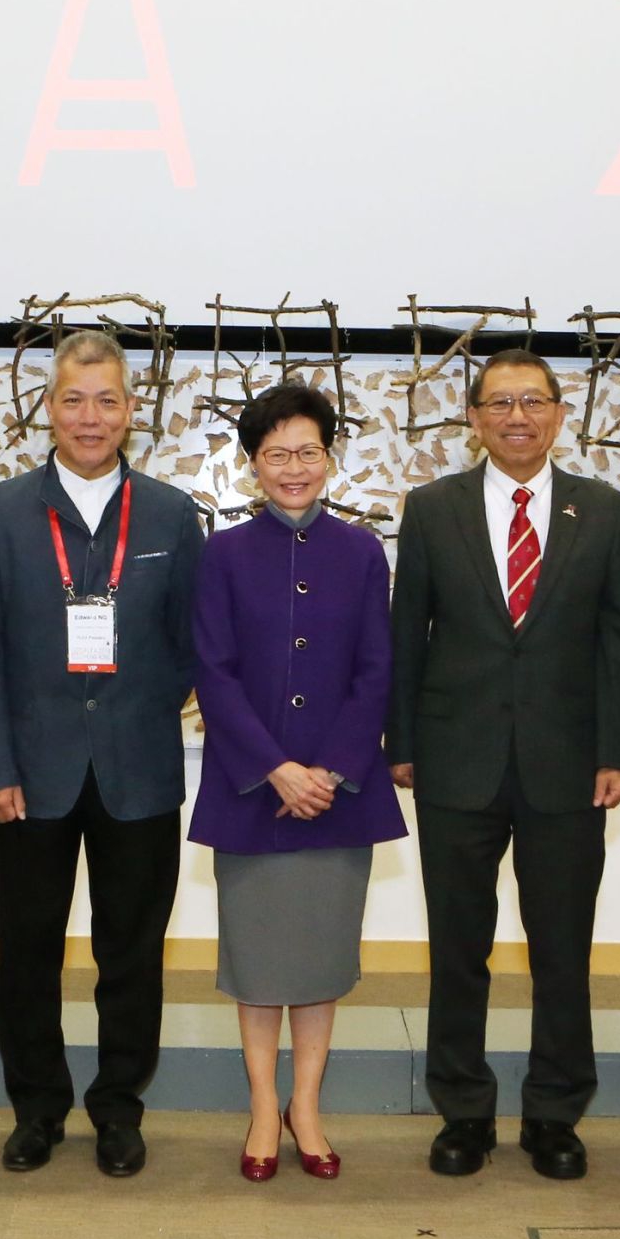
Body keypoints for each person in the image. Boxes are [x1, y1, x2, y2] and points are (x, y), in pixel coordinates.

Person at [388, 347, 620, 1182]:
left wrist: (616, 751)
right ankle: (462, 1111)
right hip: (455, 759)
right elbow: (407, 635)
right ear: (473, 418)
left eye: (533, 401)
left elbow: (616, 641)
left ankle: (554, 1113)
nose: (517, 417)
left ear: (559, 414)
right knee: (457, 947)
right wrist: (403, 744)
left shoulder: (603, 511)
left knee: (560, 948)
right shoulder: (431, 509)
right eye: (498, 403)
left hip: (569, 765)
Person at [0, 331, 205, 1177]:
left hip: (138, 769)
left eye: (106, 400)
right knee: (27, 951)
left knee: (130, 955)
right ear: (50, 410)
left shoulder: (173, 514)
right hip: (29, 773)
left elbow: (190, 642)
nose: (90, 417)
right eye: (74, 399)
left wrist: (137, 705)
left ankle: (118, 1108)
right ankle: (36, 1108)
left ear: (131, 412)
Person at [189, 382, 404, 1183]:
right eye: (275, 454)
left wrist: (332, 770)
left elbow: (375, 671)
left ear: (329, 458)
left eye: (307, 452)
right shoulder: (222, 554)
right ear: (251, 465)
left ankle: (305, 1106)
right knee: (257, 965)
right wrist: (274, 767)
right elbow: (210, 670)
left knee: (318, 963)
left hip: (338, 794)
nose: (292, 468)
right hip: (251, 791)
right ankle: (258, 1107)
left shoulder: (359, 550)